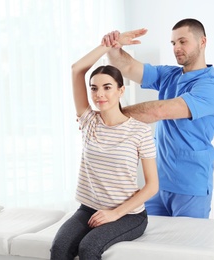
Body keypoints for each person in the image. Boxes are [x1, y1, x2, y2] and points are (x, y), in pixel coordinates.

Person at [102, 18, 214, 219]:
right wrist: (114, 47)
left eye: (183, 41)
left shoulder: (212, 87)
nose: (176, 48)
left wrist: (109, 115)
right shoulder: (170, 75)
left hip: (190, 186)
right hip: (158, 184)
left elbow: (160, 111)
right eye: (173, 43)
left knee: (186, 247)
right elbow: (127, 67)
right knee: (149, 244)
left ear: (202, 42)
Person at [50, 36, 159, 260]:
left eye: (107, 87)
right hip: (88, 209)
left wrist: (114, 214)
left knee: (89, 248)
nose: (100, 94)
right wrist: (108, 44)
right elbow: (76, 69)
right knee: (59, 248)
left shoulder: (139, 131)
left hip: (128, 215)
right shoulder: (88, 121)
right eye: (94, 88)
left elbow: (152, 186)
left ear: (120, 90)